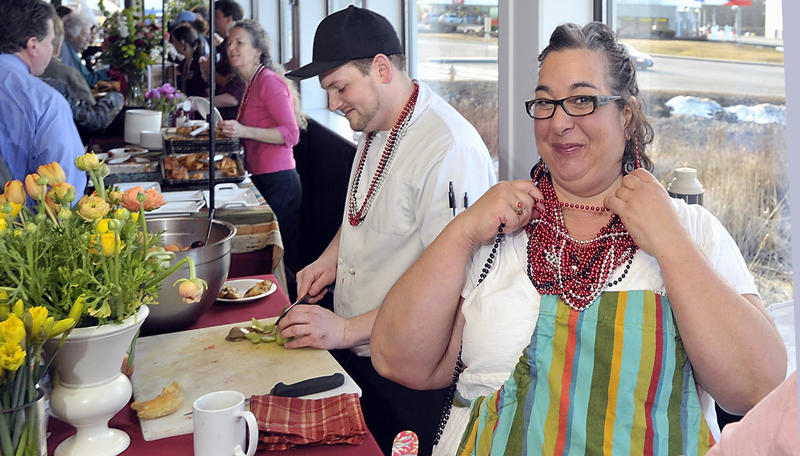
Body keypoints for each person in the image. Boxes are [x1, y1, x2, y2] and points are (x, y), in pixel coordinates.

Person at [371, 22, 787, 456]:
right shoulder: (496, 234)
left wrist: (671, 244)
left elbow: (757, 386)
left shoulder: (690, 231)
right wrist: (460, 234)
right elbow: (398, 360)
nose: (560, 122)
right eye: (546, 103)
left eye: (582, 100)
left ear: (625, 114)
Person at [282, 6, 496, 455]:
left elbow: (454, 289)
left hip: (411, 375)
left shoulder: (447, 148)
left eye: (340, 88)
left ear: (380, 68)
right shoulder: (375, 125)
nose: (335, 103)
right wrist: (327, 260)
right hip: (360, 353)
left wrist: (343, 330)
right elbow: (362, 210)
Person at [216, 20, 306, 282]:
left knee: (282, 257)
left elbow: (291, 134)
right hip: (263, 178)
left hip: (280, 180)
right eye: (229, 42)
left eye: (239, 42)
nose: (231, 47)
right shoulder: (251, 82)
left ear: (257, 51)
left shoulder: (268, 82)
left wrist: (243, 131)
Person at [0, 0, 87, 197]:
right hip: (20, 224)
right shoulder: (45, 101)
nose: (52, 50)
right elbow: (66, 191)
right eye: (50, 42)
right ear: (33, 45)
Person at [41, 15, 123, 133]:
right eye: (85, 35)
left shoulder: (72, 54)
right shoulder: (64, 63)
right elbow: (93, 116)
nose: (89, 39)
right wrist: (116, 97)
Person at [60, 12, 109, 88]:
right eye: (85, 35)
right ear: (71, 36)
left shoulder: (71, 51)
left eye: (89, 35)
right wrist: (108, 72)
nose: (89, 39)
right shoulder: (65, 52)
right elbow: (82, 82)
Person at [170, 25, 208, 97]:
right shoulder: (186, 62)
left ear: (182, 43)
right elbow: (175, 70)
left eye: (174, 41)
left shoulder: (200, 62)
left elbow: (208, 90)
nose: (173, 45)